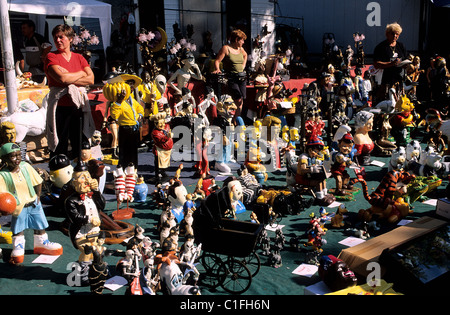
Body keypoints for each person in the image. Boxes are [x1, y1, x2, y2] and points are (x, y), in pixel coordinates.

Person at [0, 143, 63, 265]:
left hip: (33, 203)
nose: (17, 158)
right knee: (18, 228)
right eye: (13, 156)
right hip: (19, 206)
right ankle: (18, 247)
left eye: (19, 155)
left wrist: (38, 196)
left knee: (40, 224)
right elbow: (2, 195)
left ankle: (41, 243)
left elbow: (37, 181)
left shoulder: (25, 167)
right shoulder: (3, 175)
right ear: (5, 159)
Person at [44, 24, 96, 161]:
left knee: (79, 144)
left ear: (71, 38)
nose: (58, 40)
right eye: (55, 38)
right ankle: (59, 178)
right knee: (59, 145)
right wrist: (80, 73)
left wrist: (70, 77)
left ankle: (78, 177)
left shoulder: (79, 58)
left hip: (77, 106)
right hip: (59, 106)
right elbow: (62, 78)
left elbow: (91, 79)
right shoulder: (51, 57)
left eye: (61, 37)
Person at [213, 29, 248, 125]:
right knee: (238, 98)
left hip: (242, 77)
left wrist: (243, 66)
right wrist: (217, 69)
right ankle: (235, 120)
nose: (243, 42)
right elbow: (217, 61)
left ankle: (237, 120)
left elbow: (245, 55)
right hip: (232, 77)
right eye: (242, 40)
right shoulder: (226, 48)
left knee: (241, 100)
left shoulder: (241, 49)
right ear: (237, 39)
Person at [109, 75, 144, 169]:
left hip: (134, 128)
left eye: (132, 86)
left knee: (133, 153)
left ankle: (133, 171)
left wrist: (140, 115)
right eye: (129, 85)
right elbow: (114, 115)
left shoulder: (131, 99)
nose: (131, 88)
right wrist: (119, 102)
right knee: (124, 153)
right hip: (125, 128)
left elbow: (139, 108)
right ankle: (123, 171)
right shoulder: (119, 100)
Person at [373, 22, 407, 103]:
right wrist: (391, 64)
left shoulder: (401, 46)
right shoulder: (381, 47)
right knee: (386, 104)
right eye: (393, 33)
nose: (395, 36)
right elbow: (376, 64)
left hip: (398, 81)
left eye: (397, 34)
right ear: (387, 34)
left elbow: (406, 59)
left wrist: (406, 65)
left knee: (399, 104)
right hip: (385, 82)